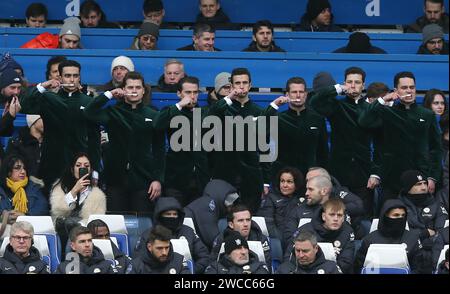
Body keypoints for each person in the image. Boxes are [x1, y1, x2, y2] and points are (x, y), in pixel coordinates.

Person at [84, 71, 165, 214]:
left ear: (144, 90)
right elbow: (89, 112)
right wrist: (109, 94)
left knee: (142, 224)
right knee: (116, 223)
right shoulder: (113, 112)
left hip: (143, 180)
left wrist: (157, 179)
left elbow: (159, 150)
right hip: (115, 178)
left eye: (138, 87)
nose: (134, 91)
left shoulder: (153, 114)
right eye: (130, 87)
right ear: (123, 89)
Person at [20, 59, 102, 195]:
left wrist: (95, 170)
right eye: (68, 75)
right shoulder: (48, 99)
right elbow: (23, 105)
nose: (71, 80)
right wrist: (43, 86)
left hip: (79, 165)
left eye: (75, 76)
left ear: (80, 77)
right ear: (60, 77)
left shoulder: (88, 102)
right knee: (51, 208)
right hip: (51, 164)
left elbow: (94, 139)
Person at [358, 71, 443, 202]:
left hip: (420, 178)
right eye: (404, 88)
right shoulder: (387, 112)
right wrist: (382, 99)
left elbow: (436, 148)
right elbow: (364, 120)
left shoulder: (427, 115)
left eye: (412, 87)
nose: (409, 91)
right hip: (392, 179)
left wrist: (432, 177)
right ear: (396, 90)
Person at [309, 68, 376, 218]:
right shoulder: (337, 106)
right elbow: (314, 102)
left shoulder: (370, 109)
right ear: (344, 83)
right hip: (339, 171)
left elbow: (381, 143)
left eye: (357, 82)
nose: (353, 86)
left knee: (364, 216)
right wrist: (336, 89)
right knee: (335, 214)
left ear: (363, 85)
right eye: (349, 82)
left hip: (363, 171)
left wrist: (375, 172)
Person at [208, 67, 267, 213]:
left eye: (245, 83)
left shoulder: (259, 111)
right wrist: (229, 98)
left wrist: (265, 180)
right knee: (224, 217)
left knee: (249, 216)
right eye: (237, 83)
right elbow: (209, 117)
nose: (241, 86)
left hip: (251, 175)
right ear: (232, 86)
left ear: (250, 85)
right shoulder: (223, 108)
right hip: (224, 172)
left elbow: (267, 147)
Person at [153, 77, 210, 206]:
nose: (192, 96)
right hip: (175, 181)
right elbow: (156, 124)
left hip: (200, 180)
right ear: (179, 93)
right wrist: (179, 105)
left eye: (195, 92)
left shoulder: (205, 113)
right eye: (188, 92)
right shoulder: (171, 111)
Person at [264, 76, 328, 180]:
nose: (298, 95)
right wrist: (274, 105)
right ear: (287, 95)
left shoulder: (318, 119)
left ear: (306, 94)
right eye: (294, 92)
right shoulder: (277, 119)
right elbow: (263, 145)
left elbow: (323, 153)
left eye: (301, 92)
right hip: (284, 179)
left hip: (310, 179)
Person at [134, 197, 210, 273]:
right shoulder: (149, 234)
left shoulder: (188, 232)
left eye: (175, 214)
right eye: (168, 214)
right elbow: (139, 258)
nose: (172, 217)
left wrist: (192, 270)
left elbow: (204, 256)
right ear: (160, 215)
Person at [50, 152, 106, 254]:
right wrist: (74, 191)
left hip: (85, 237)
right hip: (61, 233)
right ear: (72, 169)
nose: (82, 168)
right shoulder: (60, 188)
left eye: (86, 166)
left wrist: (78, 225)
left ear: (91, 170)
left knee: (76, 238)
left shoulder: (97, 195)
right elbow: (58, 210)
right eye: (78, 165)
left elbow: (96, 222)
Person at [354, 200, 424, 274]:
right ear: (385, 216)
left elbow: (419, 268)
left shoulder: (412, 239)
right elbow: (358, 267)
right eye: (396, 215)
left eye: (403, 215)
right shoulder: (370, 240)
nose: (400, 218)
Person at [287, 198, 355, 274]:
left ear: (343, 218)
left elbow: (346, 262)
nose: (336, 219)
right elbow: (289, 256)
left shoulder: (347, 232)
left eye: (339, 215)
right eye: (332, 215)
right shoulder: (304, 230)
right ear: (323, 216)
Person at [398, 170, 448, 273]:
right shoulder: (397, 206)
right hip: (407, 254)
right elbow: (401, 235)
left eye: (425, 183)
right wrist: (425, 233)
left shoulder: (437, 205)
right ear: (408, 188)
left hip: (433, 253)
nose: (424, 187)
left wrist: (420, 239)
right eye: (418, 184)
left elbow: (442, 233)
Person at [210, 204, 272, 270]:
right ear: (231, 224)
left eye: (248, 220)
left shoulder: (261, 239)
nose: (245, 224)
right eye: (240, 220)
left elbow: (266, 266)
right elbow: (214, 265)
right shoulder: (221, 239)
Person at [184, 179, 240, 249]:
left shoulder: (206, 204)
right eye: (229, 202)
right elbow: (213, 239)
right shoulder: (207, 205)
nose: (231, 206)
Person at [257, 167, 304, 242]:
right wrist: (281, 241)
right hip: (278, 240)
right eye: (282, 181)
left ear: (297, 183)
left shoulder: (302, 199)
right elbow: (268, 223)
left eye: (289, 182)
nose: (285, 185)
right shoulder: (271, 198)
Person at [283, 175, 332, 246]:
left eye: (311, 189)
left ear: (324, 191)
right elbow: (288, 239)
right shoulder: (298, 210)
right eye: (307, 189)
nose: (306, 193)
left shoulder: (337, 211)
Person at [0, 155, 49, 222]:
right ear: (8, 172)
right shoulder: (1, 189)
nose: (23, 172)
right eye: (17, 168)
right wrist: (3, 216)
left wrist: (25, 216)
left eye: (24, 168)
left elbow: (43, 209)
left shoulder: (34, 187)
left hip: (27, 228)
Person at [276, 230, 342, 274]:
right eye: (298, 250)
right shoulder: (283, 269)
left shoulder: (331, 268)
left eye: (305, 251)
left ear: (316, 249)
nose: (301, 255)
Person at [205, 231, 270, 274]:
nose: (244, 252)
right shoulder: (215, 268)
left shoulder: (259, 267)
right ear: (228, 254)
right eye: (238, 249)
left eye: (245, 248)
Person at [5, 114, 44, 179]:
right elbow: (9, 170)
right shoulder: (16, 143)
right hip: (24, 187)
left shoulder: (53, 144)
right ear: (33, 120)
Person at [0, 69, 23, 160]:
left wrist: (9, 116)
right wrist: (10, 116)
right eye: (12, 87)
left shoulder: (12, 103)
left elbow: (6, 132)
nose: (16, 92)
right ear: (2, 87)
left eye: (19, 88)